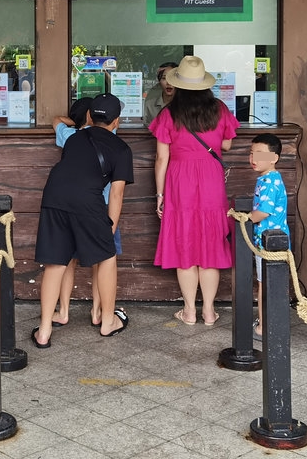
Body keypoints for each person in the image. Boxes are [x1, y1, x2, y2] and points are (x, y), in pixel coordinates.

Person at [33, 93, 133, 347]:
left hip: (54, 194)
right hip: (87, 199)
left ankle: (44, 330)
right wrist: (108, 229)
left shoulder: (75, 138)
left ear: (90, 116)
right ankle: (108, 321)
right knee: (107, 257)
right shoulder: (121, 148)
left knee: (56, 262)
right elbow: (117, 194)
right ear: (116, 121)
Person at [151, 55, 239, 326]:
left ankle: (189, 310)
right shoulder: (219, 109)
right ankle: (209, 311)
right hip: (210, 179)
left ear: (178, 85)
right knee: (211, 245)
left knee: (185, 244)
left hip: (179, 181)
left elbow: (161, 158)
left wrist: (160, 194)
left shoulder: (169, 114)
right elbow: (226, 146)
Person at [49, 97, 124, 328]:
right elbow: (117, 193)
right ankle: (97, 312)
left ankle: (62, 311)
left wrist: (74, 121)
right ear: (115, 121)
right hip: (102, 210)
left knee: (67, 261)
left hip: (70, 208)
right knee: (102, 262)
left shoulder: (70, 137)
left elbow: (55, 121)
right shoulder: (114, 143)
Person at [247, 132, 288, 341]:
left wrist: (246, 218)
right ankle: (268, 322)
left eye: (261, 154)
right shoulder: (267, 178)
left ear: (274, 158)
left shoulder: (270, 181)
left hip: (270, 243)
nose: (254, 159)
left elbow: (263, 211)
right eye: (252, 153)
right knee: (267, 283)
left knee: (266, 285)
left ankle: (264, 327)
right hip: (267, 241)